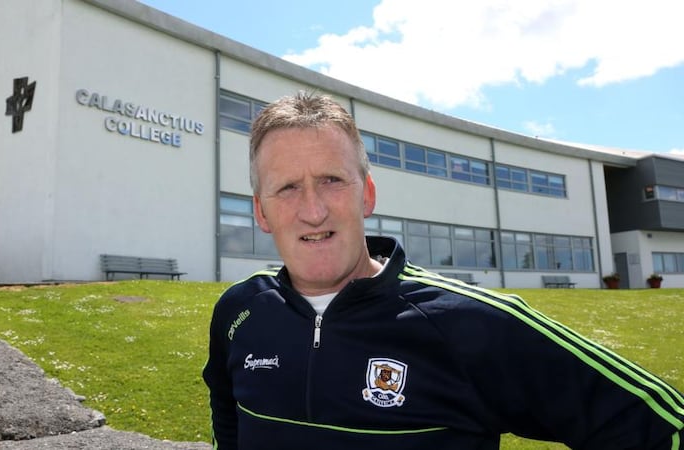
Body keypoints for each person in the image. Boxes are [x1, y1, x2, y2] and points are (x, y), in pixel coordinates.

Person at [202, 91, 684, 449]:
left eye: (331, 180)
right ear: (261, 212)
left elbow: (659, 425)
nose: (312, 210)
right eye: (287, 188)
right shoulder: (239, 313)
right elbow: (228, 423)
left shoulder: (468, 323)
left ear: (366, 194)